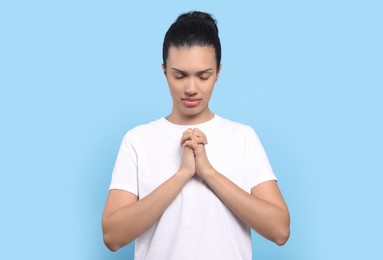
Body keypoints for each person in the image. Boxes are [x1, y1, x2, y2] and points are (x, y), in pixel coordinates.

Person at [102, 11, 290, 259]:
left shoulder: (243, 138)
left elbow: (280, 230)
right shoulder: (138, 140)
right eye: (179, 75)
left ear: (218, 72)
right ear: (164, 71)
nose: (191, 88)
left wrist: (208, 172)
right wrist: (182, 174)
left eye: (204, 76)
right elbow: (112, 237)